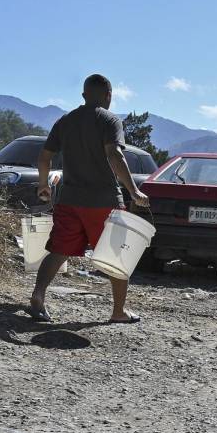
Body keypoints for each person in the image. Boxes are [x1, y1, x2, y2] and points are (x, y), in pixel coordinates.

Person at [29, 73, 149, 324]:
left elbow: (44, 157)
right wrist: (134, 191)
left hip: (69, 199)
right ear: (109, 96)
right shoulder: (110, 120)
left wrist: (43, 185)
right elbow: (115, 155)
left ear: (83, 95)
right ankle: (118, 311)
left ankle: (38, 296)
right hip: (104, 201)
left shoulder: (65, 121)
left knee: (59, 250)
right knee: (117, 256)